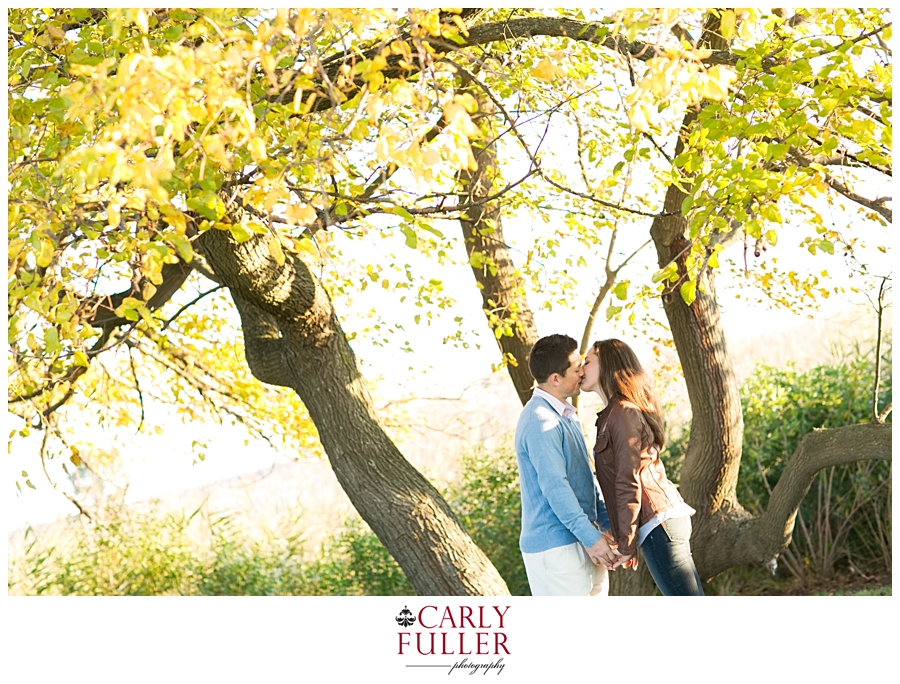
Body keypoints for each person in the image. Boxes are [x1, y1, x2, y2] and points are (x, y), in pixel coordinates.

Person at [581, 338, 704, 596]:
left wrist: (626, 543)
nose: (581, 368)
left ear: (607, 365)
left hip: (659, 523)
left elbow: (628, 480)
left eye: (587, 361)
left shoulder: (622, 412)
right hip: (657, 524)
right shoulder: (611, 414)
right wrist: (628, 538)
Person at [514, 334, 617, 596]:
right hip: (556, 549)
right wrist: (592, 539)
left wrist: (606, 524)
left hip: (582, 538)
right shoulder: (540, 421)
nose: (583, 372)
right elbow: (555, 487)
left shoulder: (566, 417)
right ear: (555, 379)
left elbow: (584, 478)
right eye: (576, 368)